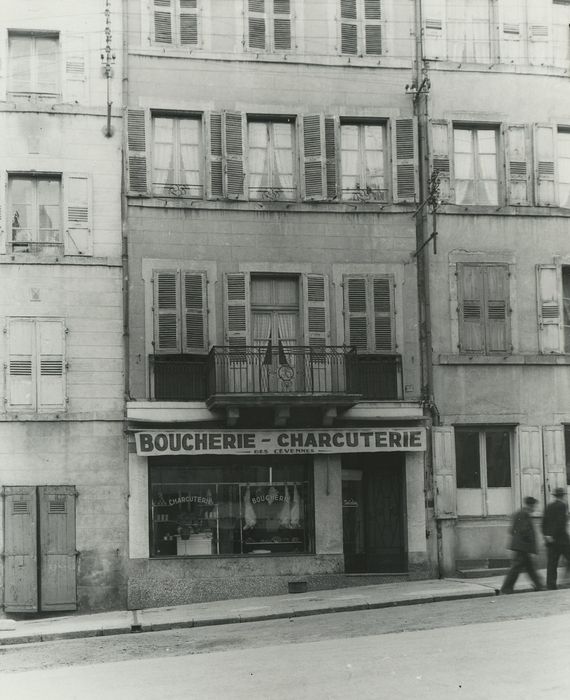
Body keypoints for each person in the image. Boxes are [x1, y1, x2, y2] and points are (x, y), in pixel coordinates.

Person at [500, 496, 543, 594]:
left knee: (529, 568)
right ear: (530, 505)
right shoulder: (524, 514)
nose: (535, 509)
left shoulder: (520, 513)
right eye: (534, 506)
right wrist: (529, 543)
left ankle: (539, 585)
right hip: (522, 547)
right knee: (516, 568)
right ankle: (506, 588)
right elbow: (524, 531)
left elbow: (512, 530)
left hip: (521, 546)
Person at [542, 486, 570, 590]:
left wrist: (547, 536)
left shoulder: (549, 506)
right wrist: (554, 535)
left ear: (555, 496)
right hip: (561, 540)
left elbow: (543, 523)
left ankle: (551, 585)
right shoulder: (563, 505)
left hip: (551, 541)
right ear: (562, 496)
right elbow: (560, 523)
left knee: (552, 564)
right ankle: (567, 580)